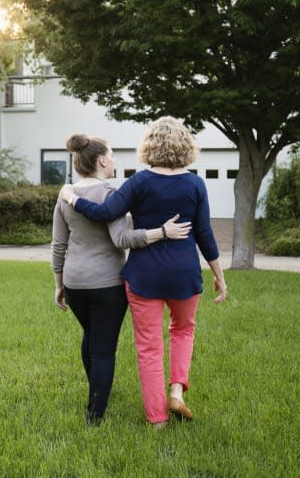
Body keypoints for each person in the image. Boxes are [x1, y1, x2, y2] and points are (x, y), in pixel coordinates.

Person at [59, 117, 228, 428]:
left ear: (149, 144)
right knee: (182, 330)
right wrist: (219, 274)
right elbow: (205, 234)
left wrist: (72, 198)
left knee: (149, 348)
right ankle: (176, 391)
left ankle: (157, 419)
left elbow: (105, 213)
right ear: (185, 145)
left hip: (143, 276)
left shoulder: (138, 182)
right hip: (184, 274)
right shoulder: (195, 184)